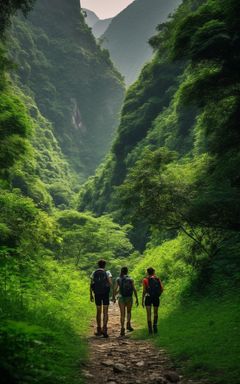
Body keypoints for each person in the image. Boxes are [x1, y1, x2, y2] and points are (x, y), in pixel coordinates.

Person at [113, 266, 139, 336]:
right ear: (127, 271)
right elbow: (134, 289)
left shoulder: (118, 279)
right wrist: (137, 298)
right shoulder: (130, 279)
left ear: (121, 271)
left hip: (121, 298)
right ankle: (128, 324)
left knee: (122, 314)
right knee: (129, 312)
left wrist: (113, 297)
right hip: (129, 297)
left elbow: (115, 289)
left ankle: (122, 329)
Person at [90, 259, 112, 338]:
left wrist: (91, 295)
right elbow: (110, 283)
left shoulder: (94, 272)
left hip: (97, 293)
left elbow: (91, 284)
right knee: (105, 311)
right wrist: (110, 291)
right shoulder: (107, 272)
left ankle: (99, 329)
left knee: (98, 311)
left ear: (98, 265)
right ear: (104, 265)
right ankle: (105, 329)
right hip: (105, 293)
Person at [142, 267, 163, 334]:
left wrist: (142, 299)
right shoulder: (157, 279)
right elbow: (162, 289)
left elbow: (144, 290)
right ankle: (155, 326)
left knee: (148, 314)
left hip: (148, 297)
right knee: (155, 313)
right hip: (156, 298)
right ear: (154, 272)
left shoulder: (145, 280)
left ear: (147, 272)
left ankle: (150, 330)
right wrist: (158, 295)